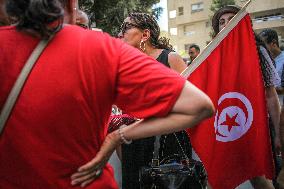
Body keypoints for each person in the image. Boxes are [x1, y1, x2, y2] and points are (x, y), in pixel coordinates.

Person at [0, 1, 215, 189]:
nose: (121, 32)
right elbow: (199, 105)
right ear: (71, 4)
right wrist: (117, 135)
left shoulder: (159, 56)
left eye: (127, 27)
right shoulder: (101, 49)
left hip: (162, 142)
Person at [116, 12, 197, 189]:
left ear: (145, 34)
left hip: (168, 143)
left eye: (127, 27)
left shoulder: (170, 58)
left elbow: (191, 104)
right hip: (135, 143)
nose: (120, 33)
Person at [212, 5, 281, 189]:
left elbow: (270, 96)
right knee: (217, 180)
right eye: (221, 22)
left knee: (258, 178)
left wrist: (278, 134)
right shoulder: (213, 55)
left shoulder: (257, 51)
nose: (226, 24)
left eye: (231, 19)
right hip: (225, 127)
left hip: (255, 127)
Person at [259, 29, 284, 104]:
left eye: (263, 45)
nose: (261, 49)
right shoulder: (263, 61)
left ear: (273, 43)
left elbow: (282, 89)